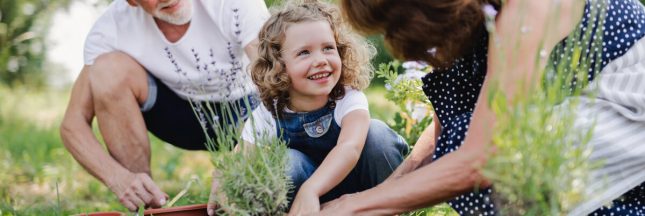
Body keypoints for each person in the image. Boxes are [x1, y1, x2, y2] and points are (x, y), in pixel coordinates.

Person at [318, 0, 645, 215]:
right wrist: (382, 196)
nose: (392, 40)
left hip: (628, 99)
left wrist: (353, 206)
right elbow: (440, 137)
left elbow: (480, 159)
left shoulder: (525, 10)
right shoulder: (474, 22)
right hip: (577, 111)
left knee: (497, 174)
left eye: (391, 24)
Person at [59, 0, 269, 212]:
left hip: (248, 109)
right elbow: (73, 125)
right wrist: (118, 178)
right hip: (179, 116)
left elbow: (277, 86)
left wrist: (240, 156)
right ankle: (146, 204)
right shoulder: (110, 29)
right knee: (106, 70)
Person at [207, 1, 409, 215]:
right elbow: (242, 157)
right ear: (279, 65)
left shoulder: (348, 98)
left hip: (362, 196)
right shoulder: (270, 111)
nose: (320, 60)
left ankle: (393, 207)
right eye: (304, 52)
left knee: (377, 134)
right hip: (306, 206)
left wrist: (311, 189)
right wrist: (224, 182)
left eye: (328, 48)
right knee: (286, 161)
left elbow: (350, 147)